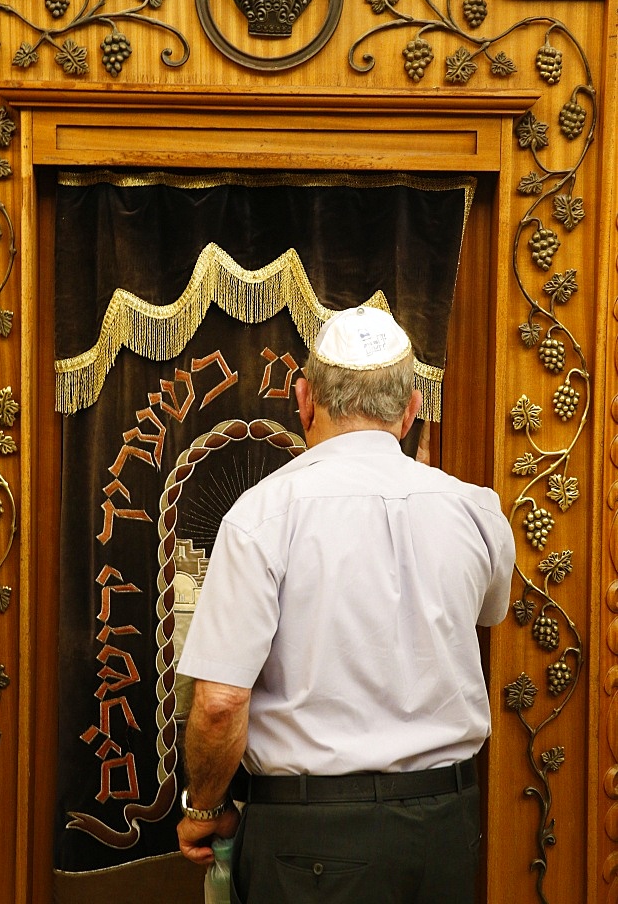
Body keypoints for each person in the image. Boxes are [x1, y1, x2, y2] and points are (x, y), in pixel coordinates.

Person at [176, 305, 515, 903]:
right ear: (412, 410)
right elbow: (487, 615)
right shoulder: (477, 511)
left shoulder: (262, 515)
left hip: (308, 845)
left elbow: (222, 702)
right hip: (444, 834)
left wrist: (204, 808)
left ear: (304, 400)